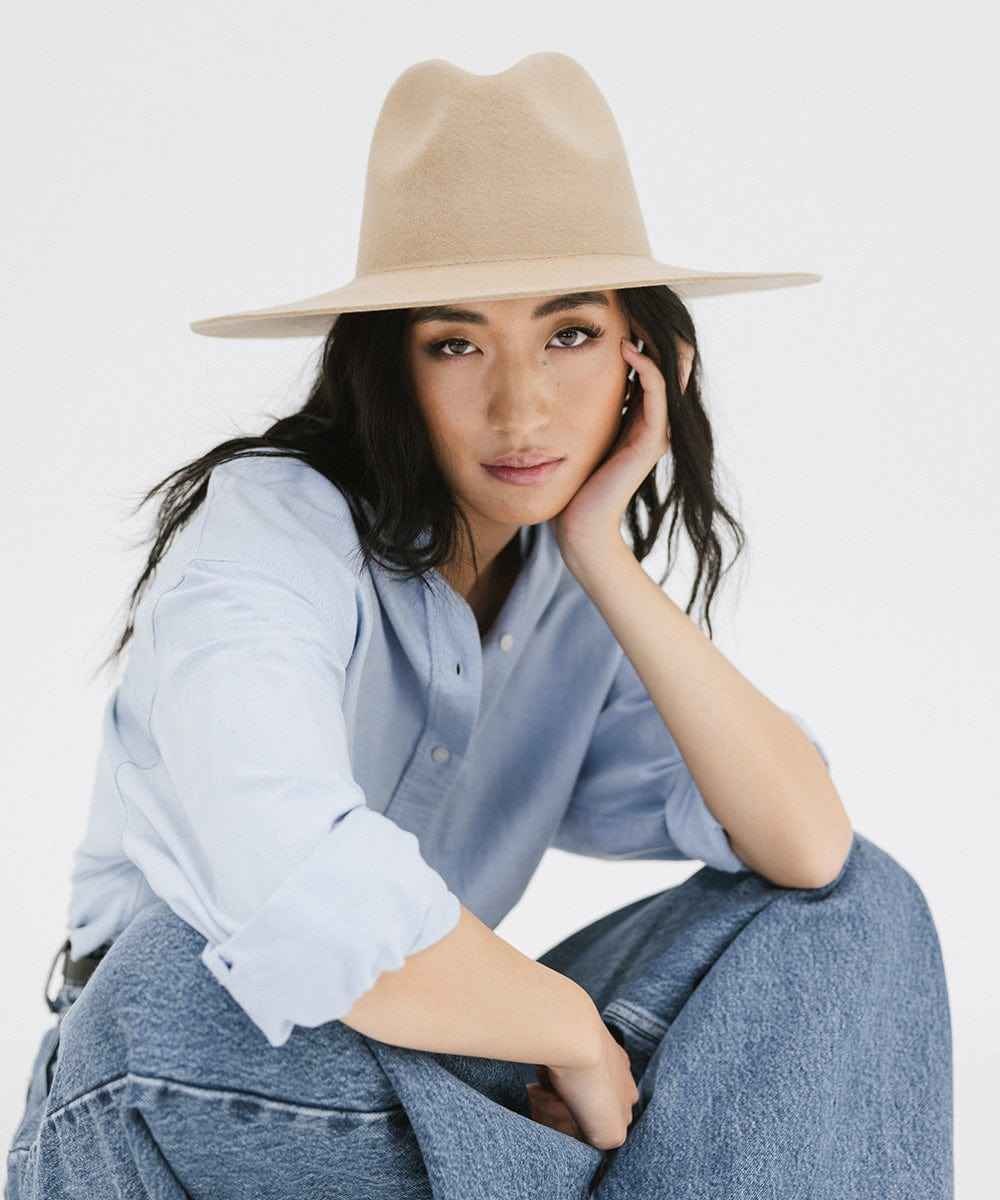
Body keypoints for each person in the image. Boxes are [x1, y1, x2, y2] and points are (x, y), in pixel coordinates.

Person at [6, 52, 952, 1199]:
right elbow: (297, 890)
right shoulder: (265, 534)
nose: (520, 406)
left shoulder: (564, 584)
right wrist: (566, 1032)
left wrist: (605, 552)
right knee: (175, 975)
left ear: (644, 361)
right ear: (388, 370)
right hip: (181, 1088)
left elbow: (804, 843)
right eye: (455, 344)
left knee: (853, 914)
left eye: (568, 337)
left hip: (435, 1094)